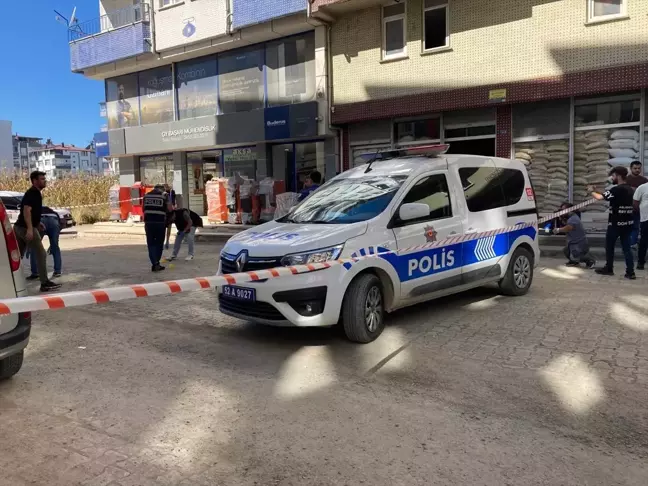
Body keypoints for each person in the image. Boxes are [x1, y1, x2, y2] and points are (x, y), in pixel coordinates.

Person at [13, 171, 61, 292]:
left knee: (16, 255)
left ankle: (11, 282)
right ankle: (44, 283)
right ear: (34, 181)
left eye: (44, 178)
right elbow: (26, 210)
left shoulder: (34, 193)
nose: (45, 180)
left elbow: (31, 211)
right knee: (41, 253)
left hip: (19, 227)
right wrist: (30, 228)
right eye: (42, 179)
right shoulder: (33, 193)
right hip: (25, 228)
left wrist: (37, 223)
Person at [589, 166, 635, 279]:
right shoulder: (630, 189)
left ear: (618, 176)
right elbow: (608, 195)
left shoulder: (616, 189)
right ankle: (630, 272)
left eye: (613, 176)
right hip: (627, 223)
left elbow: (600, 197)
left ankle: (609, 268)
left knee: (609, 246)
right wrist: (597, 190)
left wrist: (591, 191)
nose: (612, 178)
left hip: (615, 224)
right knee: (627, 248)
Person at [552, 202, 595, 268]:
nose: (562, 212)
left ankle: (590, 260)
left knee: (575, 255)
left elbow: (569, 227)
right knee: (566, 250)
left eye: (564, 210)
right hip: (574, 243)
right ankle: (574, 262)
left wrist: (558, 230)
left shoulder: (573, 218)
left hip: (580, 244)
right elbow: (567, 224)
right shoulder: (571, 217)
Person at [143, 184, 172, 272]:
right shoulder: (164, 195)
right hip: (160, 222)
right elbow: (170, 209)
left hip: (148, 222)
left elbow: (143, 209)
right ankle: (156, 263)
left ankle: (154, 263)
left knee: (150, 243)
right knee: (159, 243)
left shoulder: (146, 196)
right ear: (162, 189)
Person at [26, 207, 62, 280]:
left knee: (34, 247)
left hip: (40, 220)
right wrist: (53, 244)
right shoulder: (49, 210)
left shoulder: (30, 209)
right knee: (55, 247)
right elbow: (59, 223)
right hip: (54, 220)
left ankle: (35, 273)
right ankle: (57, 271)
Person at [626, 161, 648, 247]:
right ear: (631, 168)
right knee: (627, 227)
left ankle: (633, 243)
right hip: (627, 207)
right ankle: (627, 243)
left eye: (639, 168)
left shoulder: (644, 180)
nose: (637, 170)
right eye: (635, 168)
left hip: (639, 208)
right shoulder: (626, 179)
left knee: (636, 227)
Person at [633, 180, 648, 270]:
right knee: (644, 241)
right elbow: (635, 202)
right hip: (646, 218)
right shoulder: (642, 187)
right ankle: (641, 262)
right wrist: (641, 211)